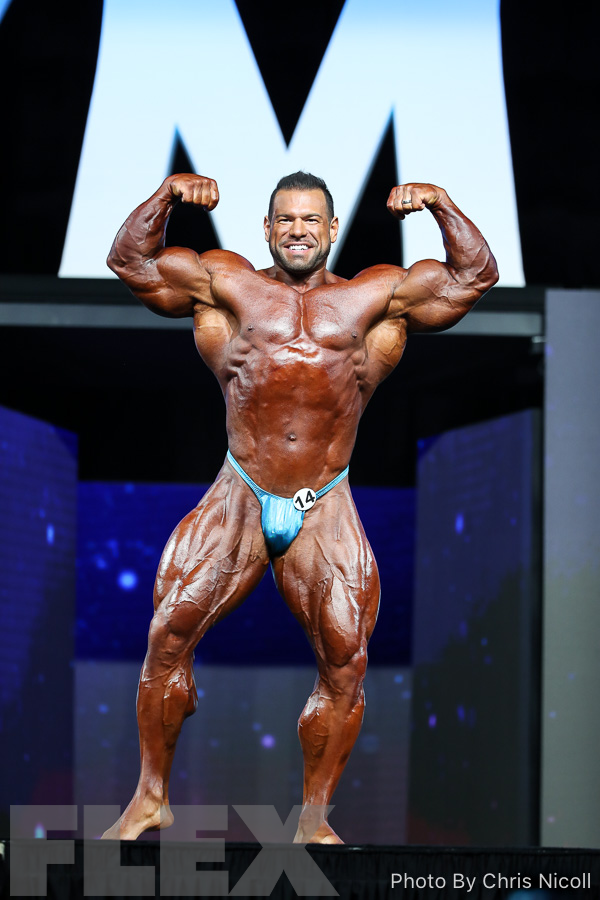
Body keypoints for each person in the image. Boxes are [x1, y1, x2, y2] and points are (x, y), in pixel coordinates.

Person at [102, 171, 498, 842]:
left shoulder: (374, 295)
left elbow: (473, 277)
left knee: (346, 658)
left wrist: (441, 204)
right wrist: (167, 195)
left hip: (325, 500)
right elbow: (131, 262)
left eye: (311, 219)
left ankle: (313, 820)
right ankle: (149, 798)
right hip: (241, 489)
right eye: (285, 219)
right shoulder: (228, 283)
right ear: (266, 229)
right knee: (167, 635)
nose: (297, 230)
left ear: (332, 229)